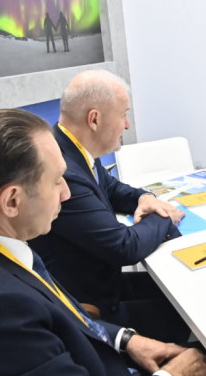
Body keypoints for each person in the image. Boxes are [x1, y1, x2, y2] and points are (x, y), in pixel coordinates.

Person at [0, 109, 206, 376]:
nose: (66, 192)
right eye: (56, 181)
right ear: (12, 201)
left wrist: (128, 340)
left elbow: (58, 311)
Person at [29, 70, 190, 345]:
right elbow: (124, 247)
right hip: (89, 308)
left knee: (181, 290)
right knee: (186, 313)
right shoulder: (65, 171)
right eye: (124, 114)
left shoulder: (71, 147)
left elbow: (111, 188)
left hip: (100, 281)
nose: (127, 125)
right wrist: (164, 216)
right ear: (94, 119)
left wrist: (145, 198)